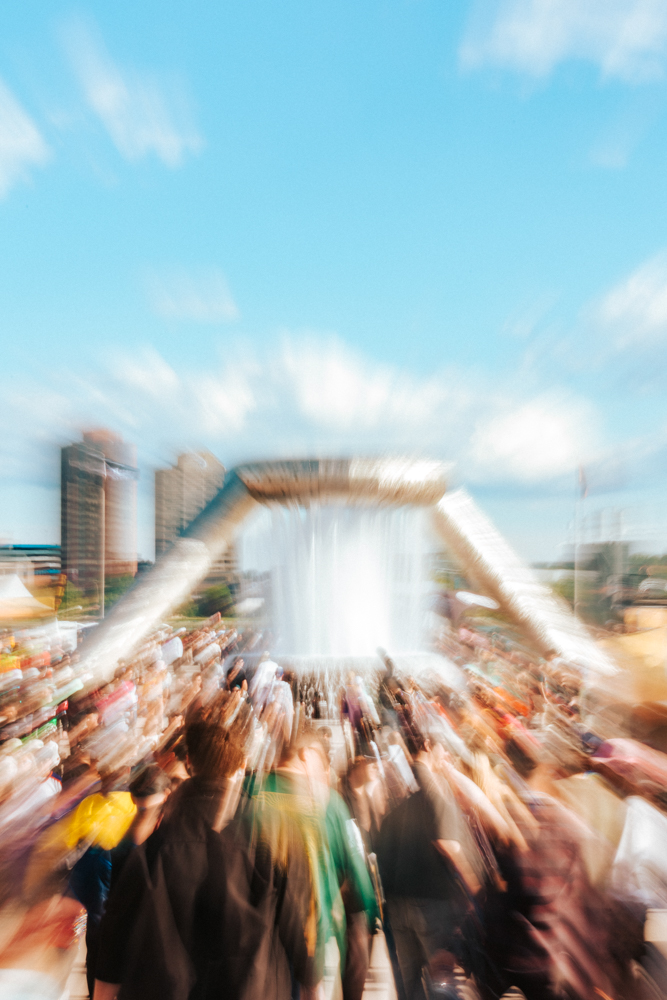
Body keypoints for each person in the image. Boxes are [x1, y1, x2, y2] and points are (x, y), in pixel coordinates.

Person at [94, 691, 318, 1000]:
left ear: (190, 764)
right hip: (251, 988)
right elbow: (291, 918)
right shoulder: (264, 833)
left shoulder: (158, 840)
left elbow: (116, 928)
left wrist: (104, 993)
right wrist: (311, 983)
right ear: (239, 766)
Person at [377, 736, 481, 1000]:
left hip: (398, 904)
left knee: (411, 981)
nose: (446, 757)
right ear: (428, 744)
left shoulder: (396, 807)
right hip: (431, 906)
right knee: (441, 982)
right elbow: (448, 845)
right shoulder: (438, 798)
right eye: (444, 749)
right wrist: (476, 890)